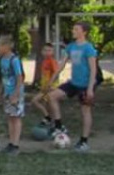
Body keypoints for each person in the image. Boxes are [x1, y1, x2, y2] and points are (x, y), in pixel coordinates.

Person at [47, 22, 98, 152]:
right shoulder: (71, 47)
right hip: (73, 83)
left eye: (76, 29)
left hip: (85, 85)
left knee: (85, 112)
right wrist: (51, 80)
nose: (73, 30)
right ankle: (59, 126)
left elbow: (93, 70)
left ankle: (84, 141)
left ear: (84, 32)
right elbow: (61, 65)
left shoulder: (89, 48)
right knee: (52, 96)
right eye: (73, 28)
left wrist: (90, 89)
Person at [0, 35, 25, 155]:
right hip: (7, 92)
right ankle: (11, 142)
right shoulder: (2, 59)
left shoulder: (14, 60)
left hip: (15, 93)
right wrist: (2, 90)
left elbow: (20, 77)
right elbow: (4, 76)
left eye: (0, 45)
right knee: (10, 117)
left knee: (16, 117)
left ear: (7, 46)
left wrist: (16, 94)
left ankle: (16, 144)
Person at [31, 43, 60, 127]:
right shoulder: (44, 61)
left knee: (36, 100)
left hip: (50, 87)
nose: (47, 52)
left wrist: (51, 85)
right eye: (45, 50)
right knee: (43, 104)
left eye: (49, 50)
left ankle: (51, 120)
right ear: (42, 52)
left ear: (53, 52)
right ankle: (48, 118)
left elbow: (56, 73)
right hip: (44, 87)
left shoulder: (52, 61)